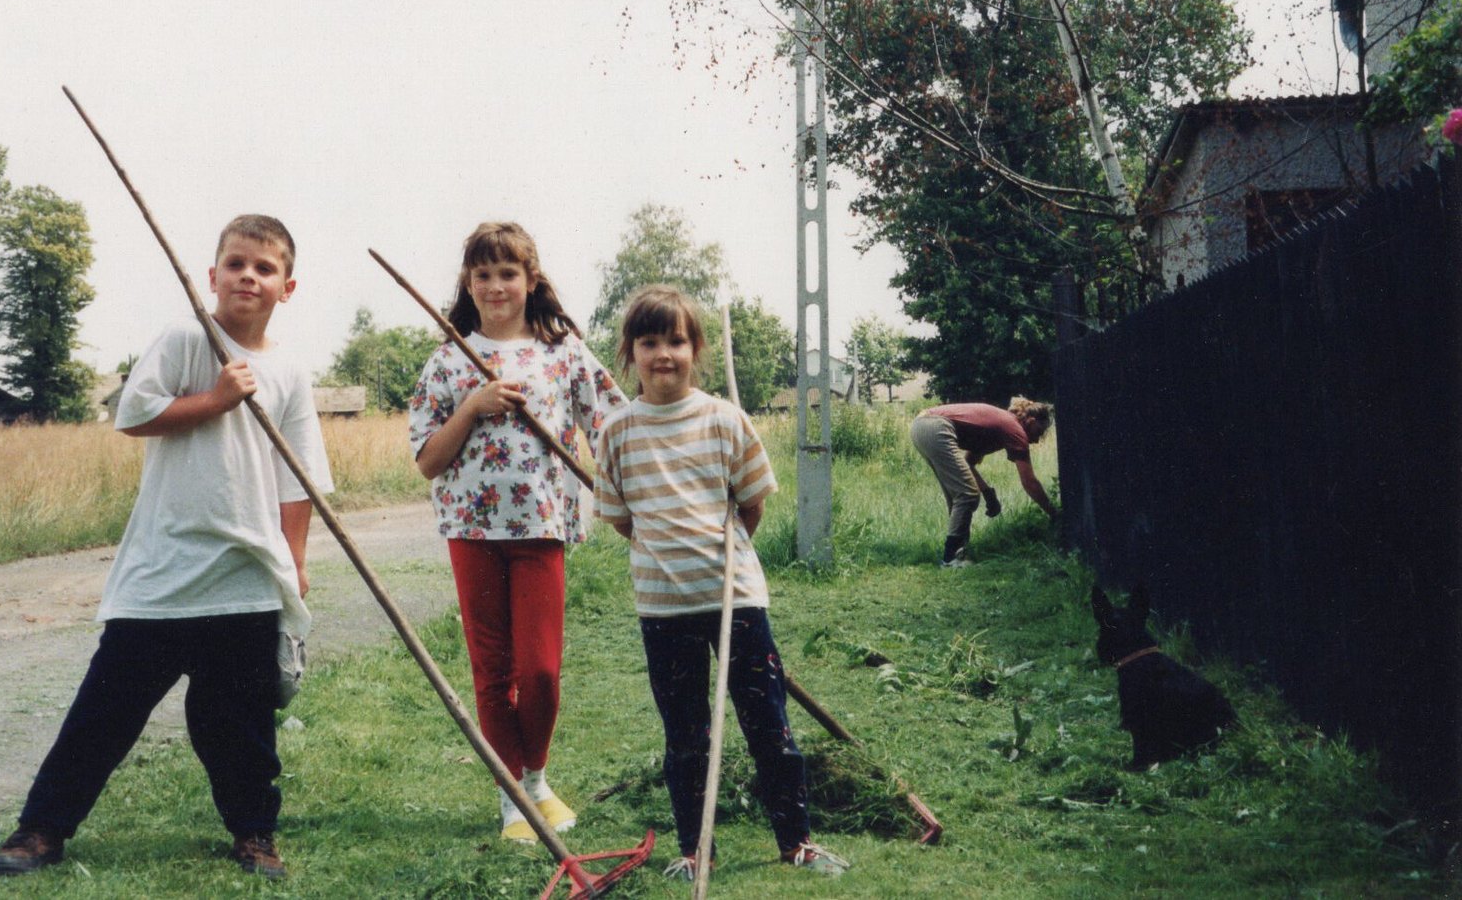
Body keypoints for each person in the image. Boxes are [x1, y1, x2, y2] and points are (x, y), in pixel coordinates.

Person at [0, 215, 333, 881]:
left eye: (264, 268)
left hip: (246, 575)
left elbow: (299, 477)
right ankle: (41, 830)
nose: (248, 277)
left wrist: (295, 560)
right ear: (212, 276)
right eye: (235, 264)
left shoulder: (290, 369)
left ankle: (254, 834)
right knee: (105, 711)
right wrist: (217, 399)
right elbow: (134, 415)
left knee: (240, 725)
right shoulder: (185, 338)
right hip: (162, 571)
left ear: (287, 287)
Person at [593, 285, 849, 881]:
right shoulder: (617, 431)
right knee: (685, 735)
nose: (664, 354)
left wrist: (721, 561)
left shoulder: (724, 419)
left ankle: (797, 842)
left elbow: (751, 504)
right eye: (649, 342)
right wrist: (667, 558)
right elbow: (621, 519)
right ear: (630, 352)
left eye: (676, 341)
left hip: (736, 600)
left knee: (767, 723)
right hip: (663, 608)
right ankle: (694, 849)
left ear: (695, 348)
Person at [409, 221, 626, 842]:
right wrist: (472, 407)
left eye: (508, 273)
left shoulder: (562, 352)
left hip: (541, 528)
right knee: (492, 670)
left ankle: (538, 779)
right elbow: (428, 461)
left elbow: (612, 423)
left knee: (541, 670)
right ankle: (514, 797)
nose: (496, 286)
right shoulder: (448, 358)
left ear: (531, 280)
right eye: (483, 274)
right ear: (468, 283)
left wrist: (647, 479)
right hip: (471, 532)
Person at [910, 396, 1058, 567]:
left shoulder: (999, 426)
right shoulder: (1015, 429)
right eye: (1039, 432)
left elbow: (969, 464)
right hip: (935, 426)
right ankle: (952, 558)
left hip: (922, 426)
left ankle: (958, 552)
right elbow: (1029, 482)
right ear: (1031, 421)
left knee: (958, 495)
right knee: (967, 495)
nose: (1037, 440)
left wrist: (988, 493)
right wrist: (1054, 513)